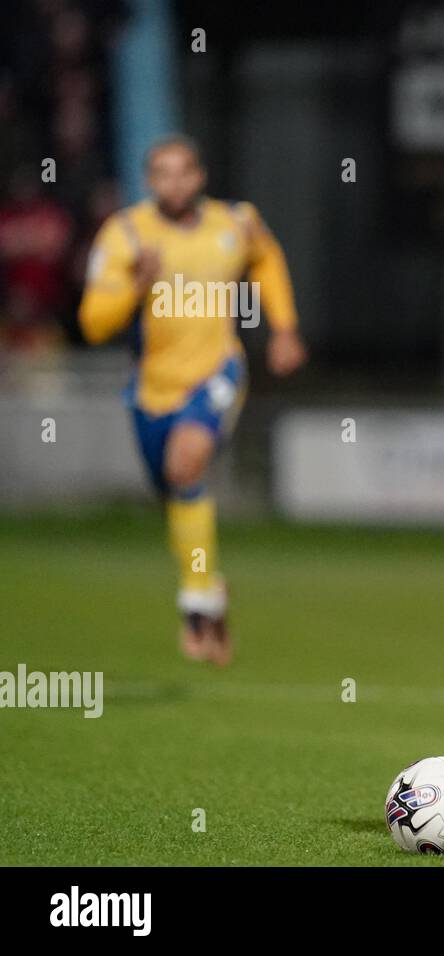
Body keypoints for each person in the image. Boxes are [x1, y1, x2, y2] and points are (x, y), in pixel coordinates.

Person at [78, 135, 307, 666]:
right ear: (149, 181)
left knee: (187, 466)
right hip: (150, 389)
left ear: (200, 177)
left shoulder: (236, 222)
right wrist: (135, 286)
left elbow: (267, 260)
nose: (174, 182)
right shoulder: (126, 234)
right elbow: (93, 324)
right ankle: (211, 588)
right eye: (162, 173)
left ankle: (196, 605)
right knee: (177, 494)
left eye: (183, 172)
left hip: (216, 373)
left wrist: (284, 328)